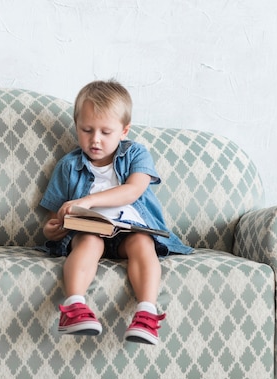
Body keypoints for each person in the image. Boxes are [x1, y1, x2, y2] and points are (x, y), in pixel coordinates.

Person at [39, 79, 193, 345]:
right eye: (86, 130)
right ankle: (74, 307)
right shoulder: (68, 166)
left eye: (105, 132)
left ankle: (146, 313)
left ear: (124, 131)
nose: (95, 139)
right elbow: (53, 219)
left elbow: (133, 190)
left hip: (129, 232)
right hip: (90, 232)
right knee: (87, 241)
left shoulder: (136, 154)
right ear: (76, 126)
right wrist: (52, 230)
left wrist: (88, 201)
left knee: (143, 243)